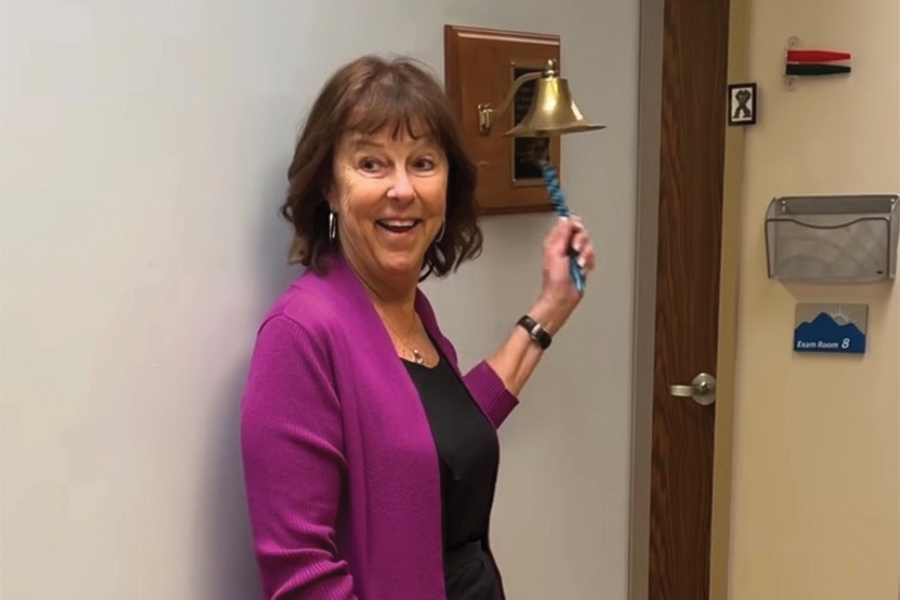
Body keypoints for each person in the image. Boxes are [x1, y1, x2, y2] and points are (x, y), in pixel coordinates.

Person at [240, 55, 596, 600]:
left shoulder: (411, 312)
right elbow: (300, 576)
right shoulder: (301, 335)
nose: (403, 189)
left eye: (423, 163)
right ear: (329, 187)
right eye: (372, 164)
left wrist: (552, 306)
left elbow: (440, 434)